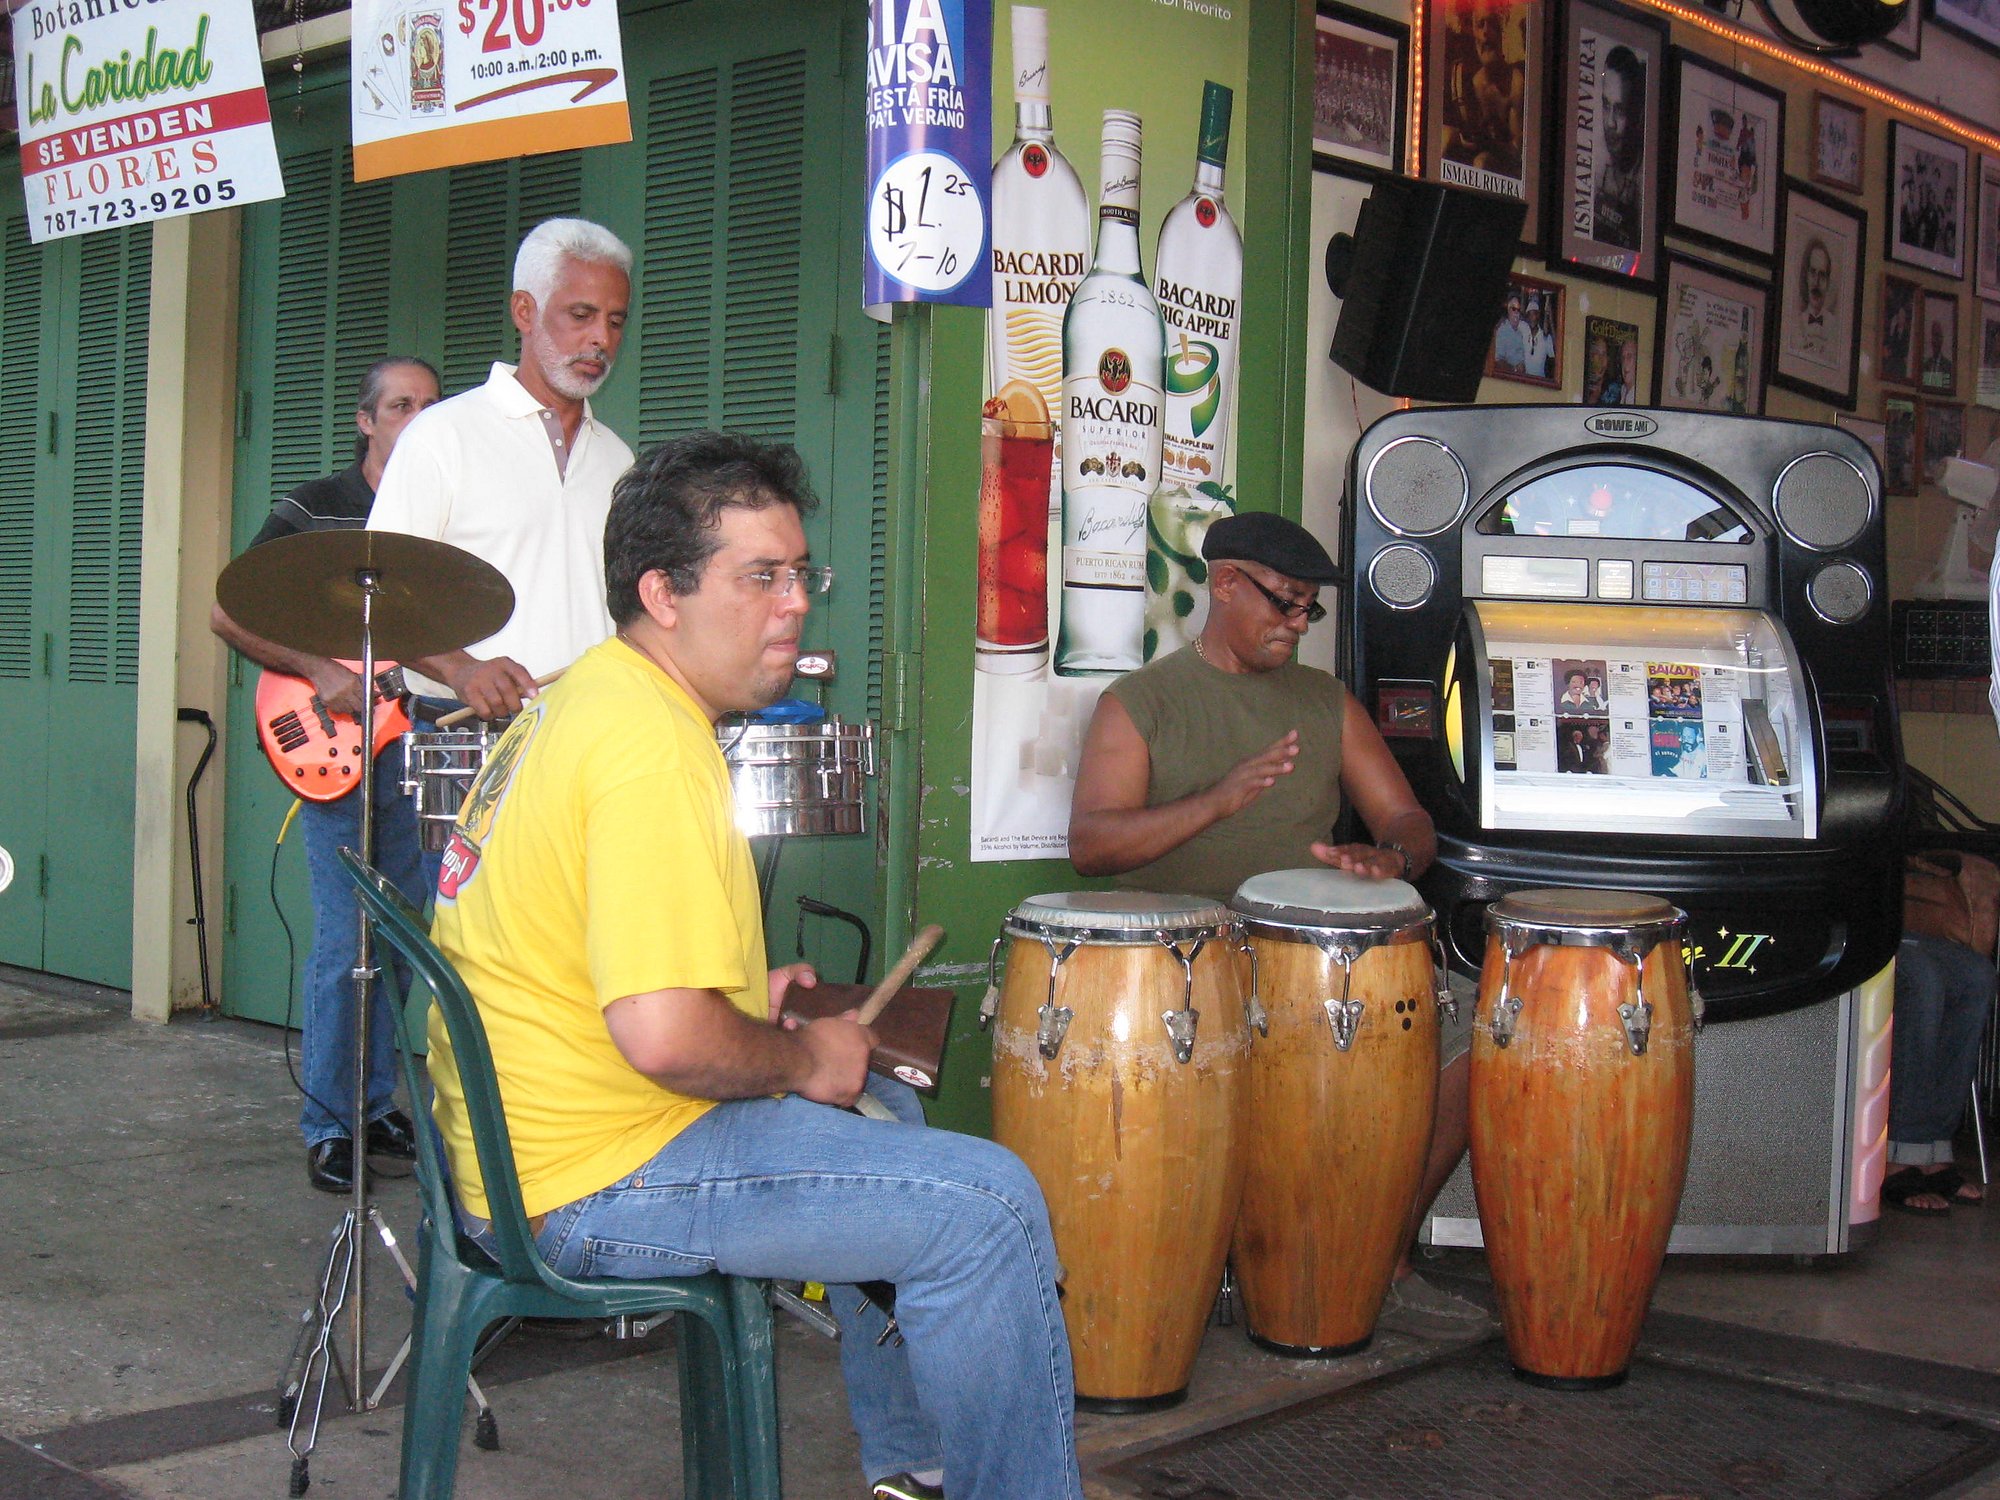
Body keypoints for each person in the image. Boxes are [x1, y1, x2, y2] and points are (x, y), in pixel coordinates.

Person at [429, 433, 1080, 1500]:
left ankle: (912, 1470)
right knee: (989, 1207)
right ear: (663, 594)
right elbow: (668, 1038)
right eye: (760, 577)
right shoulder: (650, 748)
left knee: (892, 1115)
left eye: (799, 574)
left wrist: (749, 1001)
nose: (794, 605)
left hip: (523, 1144)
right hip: (591, 1180)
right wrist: (796, 1060)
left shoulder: (581, 698)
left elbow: (593, 957)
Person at [1067, 512, 1486, 1342]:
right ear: (1225, 585)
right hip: (1191, 967)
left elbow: (1405, 816)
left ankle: (1384, 1254)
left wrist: (1390, 861)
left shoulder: (1323, 703)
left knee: (1479, 1034)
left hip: (1322, 964)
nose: (1298, 625)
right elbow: (1091, 846)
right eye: (1284, 605)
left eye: (1308, 612)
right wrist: (1216, 801)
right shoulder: (1141, 702)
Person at [210, 357, 443, 1193]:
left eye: (430, 406)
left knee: (410, 935)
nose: (416, 418)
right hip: (337, 739)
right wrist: (316, 670)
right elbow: (225, 611)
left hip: (422, 743)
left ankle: (375, 1104)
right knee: (348, 937)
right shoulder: (317, 509)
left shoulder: (438, 517)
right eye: (400, 405)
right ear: (366, 420)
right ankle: (329, 1125)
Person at [368, 218, 636, 723]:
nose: (600, 338)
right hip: (468, 735)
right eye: (581, 315)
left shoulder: (620, 461)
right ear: (524, 311)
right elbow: (377, 595)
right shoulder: (440, 435)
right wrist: (461, 670)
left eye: (615, 321)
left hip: (591, 730)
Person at [1886, 852, 1996, 1214]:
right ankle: (1900, 1154)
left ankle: (1936, 1148)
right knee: (1924, 982)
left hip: (1902, 920)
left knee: (1977, 975)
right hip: (1858, 921)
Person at [1594, 46, 1646, 251]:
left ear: (1638, 115)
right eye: (1606, 105)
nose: (1610, 122)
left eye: (1620, 110)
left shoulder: (1644, 186)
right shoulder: (1597, 171)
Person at [1493, 291, 1528, 373]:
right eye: (1513, 309)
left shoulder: (1520, 333)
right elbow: (1497, 361)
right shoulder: (1502, 331)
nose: (1516, 312)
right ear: (1507, 310)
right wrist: (1514, 369)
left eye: (1518, 310)